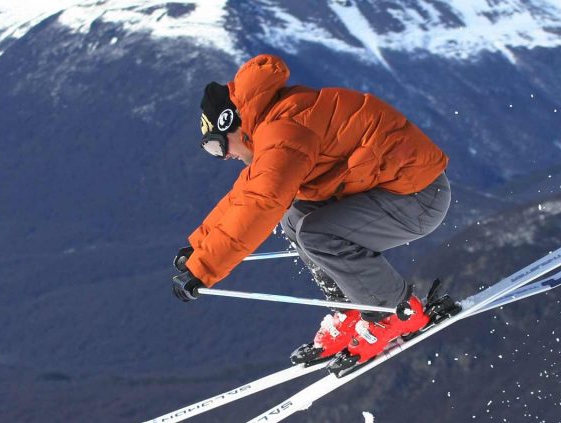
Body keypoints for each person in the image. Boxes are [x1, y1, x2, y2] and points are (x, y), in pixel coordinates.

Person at [171, 54, 451, 368]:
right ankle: (353, 308)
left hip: (419, 197)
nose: (223, 157)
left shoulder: (283, 133)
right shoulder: (273, 124)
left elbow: (261, 204)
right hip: (392, 187)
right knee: (296, 218)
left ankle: (397, 312)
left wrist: (205, 268)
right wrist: (200, 247)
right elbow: (247, 192)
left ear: (230, 124)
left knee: (317, 233)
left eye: (216, 146)